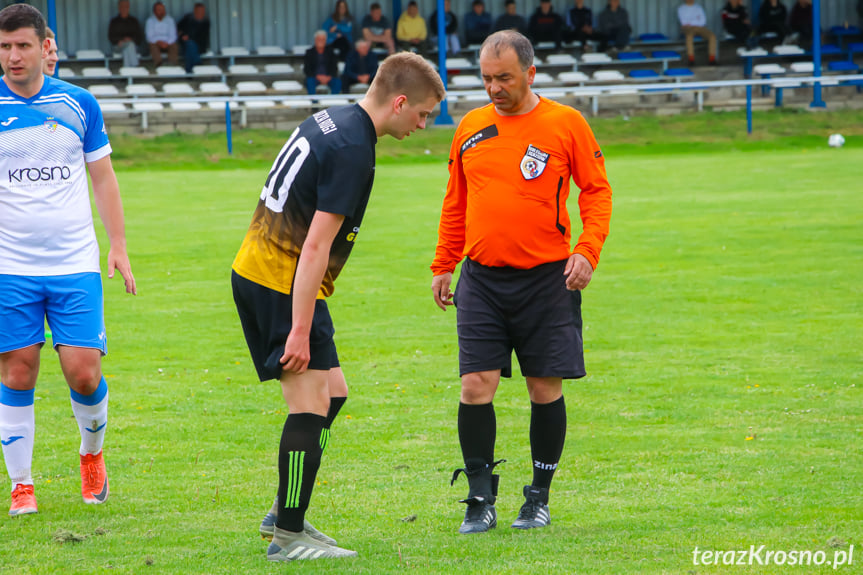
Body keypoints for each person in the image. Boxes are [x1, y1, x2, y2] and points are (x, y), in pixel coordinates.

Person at [232, 51, 445, 563]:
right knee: (308, 404)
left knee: (333, 393)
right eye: (423, 114)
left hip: (274, 273)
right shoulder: (354, 147)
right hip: (280, 280)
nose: (423, 125)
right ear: (399, 102)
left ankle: (288, 508)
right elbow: (315, 246)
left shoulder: (335, 119)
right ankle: (287, 535)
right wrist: (299, 330)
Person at [430, 29, 612, 535]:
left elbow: (596, 193)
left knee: (543, 387)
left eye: (504, 78)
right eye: (487, 78)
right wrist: (444, 264)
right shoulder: (469, 126)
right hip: (482, 280)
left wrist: (587, 251)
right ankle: (479, 498)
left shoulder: (565, 124)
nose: (494, 88)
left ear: (530, 74)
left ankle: (538, 497)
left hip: (546, 282)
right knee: (474, 387)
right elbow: (456, 201)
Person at [0, 3, 136, 518]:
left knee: (82, 372)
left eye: (22, 46)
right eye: (4, 47)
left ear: (44, 47)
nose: (13, 56)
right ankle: (22, 485)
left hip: (74, 261)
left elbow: (102, 177)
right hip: (9, 265)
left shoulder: (78, 104)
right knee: (18, 370)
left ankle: (92, 455)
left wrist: (117, 244)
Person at [678, 0, 717, 65]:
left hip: (700, 27)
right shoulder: (681, 8)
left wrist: (690, 22)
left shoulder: (698, 7)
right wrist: (696, 20)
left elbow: (703, 21)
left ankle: (712, 59)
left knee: (712, 36)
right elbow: (683, 22)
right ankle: (691, 59)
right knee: (689, 37)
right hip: (688, 28)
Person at [304, 30, 341, 95]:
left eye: (323, 39)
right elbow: (307, 69)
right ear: (315, 40)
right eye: (319, 39)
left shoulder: (331, 52)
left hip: (328, 77)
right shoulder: (309, 52)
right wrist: (318, 76)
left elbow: (335, 67)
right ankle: (314, 103)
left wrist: (328, 77)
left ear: (325, 41)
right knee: (309, 81)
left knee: (338, 82)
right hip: (315, 77)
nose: (321, 41)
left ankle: (333, 101)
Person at [108, 0, 143, 67]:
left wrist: (131, 39)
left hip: (132, 46)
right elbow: (110, 36)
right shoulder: (114, 21)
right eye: (122, 7)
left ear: (129, 7)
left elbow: (139, 37)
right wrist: (120, 40)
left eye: (126, 7)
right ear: (119, 8)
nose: (124, 8)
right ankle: (135, 66)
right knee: (129, 46)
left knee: (128, 47)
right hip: (118, 46)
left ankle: (127, 72)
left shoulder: (134, 21)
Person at [177, 2, 209, 73]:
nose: (201, 13)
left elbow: (203, 37)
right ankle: (197, 62)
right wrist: (182, 36)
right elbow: (178, 28)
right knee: (190, 46)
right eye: (199, 11)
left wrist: (189, 37)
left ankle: (189, 71)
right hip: (186, 44)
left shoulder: (206, 22)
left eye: (202, 11)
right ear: (195, 11)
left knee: (190, 46)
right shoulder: (187, 18)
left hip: (200, 45)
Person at [145, 1, 178, 67]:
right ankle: (159, 65)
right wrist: (159, 42)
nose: (162, 12)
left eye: (163, 10)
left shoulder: (170, 20)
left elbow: (173, 35)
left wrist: (167, 43)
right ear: (154, 12)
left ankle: (172, 65)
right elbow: (149, 37)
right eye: (159, 10)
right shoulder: (150, 21)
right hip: (156, 43)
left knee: (174, 45)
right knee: (152, 45)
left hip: (167, 43)